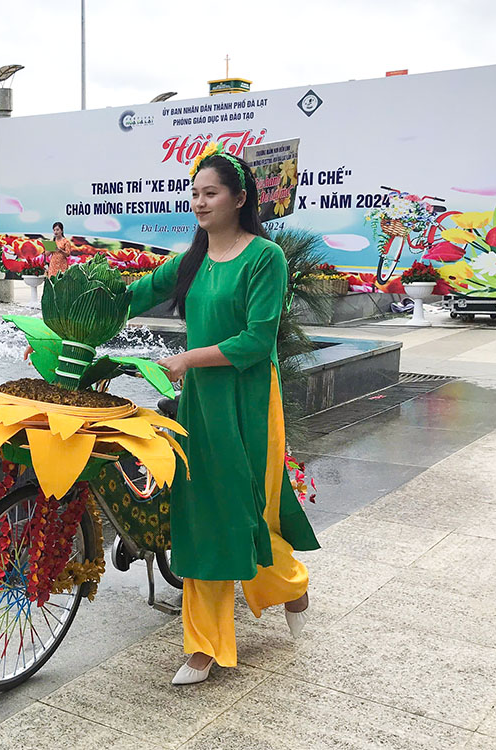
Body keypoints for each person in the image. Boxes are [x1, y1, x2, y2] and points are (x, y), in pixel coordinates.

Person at [127, 144, 319, 685]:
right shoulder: (191, 261)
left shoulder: (265, 257)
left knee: (242, 512)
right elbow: (131, 296)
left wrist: (187, 357)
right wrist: (73, 315)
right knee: (201, 513)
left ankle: (290, 583)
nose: (199, 202)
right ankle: (203, 645)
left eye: (210, 193)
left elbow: (258, 341)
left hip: (250, 400)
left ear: (239, 198)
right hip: (200, 404)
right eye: (194, 193)